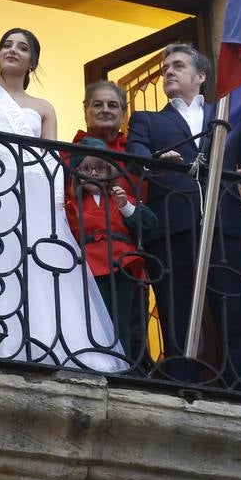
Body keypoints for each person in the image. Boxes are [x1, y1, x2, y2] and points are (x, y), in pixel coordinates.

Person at [0, 28, 125, 374]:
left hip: (34, 190)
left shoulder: (43, 107)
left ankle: (44, 342)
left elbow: (51, 159)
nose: (13, 50)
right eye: (7, 45)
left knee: (37, 263)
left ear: (32, 62)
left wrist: (56, 201)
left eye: (22, 48)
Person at [126, 43, 241, 390]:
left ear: (200, 76)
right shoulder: (148, 119)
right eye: (165, 68)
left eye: (177, 66)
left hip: (224, 227)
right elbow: (136, 157)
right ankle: (181, 387)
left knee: (232, 312)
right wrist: (158, 160)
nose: (168, 72)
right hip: (173, 228)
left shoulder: (228, 119)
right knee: (175, 311)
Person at [64, 137, 157, 358]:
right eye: (86, 168)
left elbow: (149, 223)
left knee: (120, 319)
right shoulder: (71, 204)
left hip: (121, 263)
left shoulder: (121, 198)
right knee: (93, 317)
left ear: (109, 172)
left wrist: (126, 207)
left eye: (99, 168)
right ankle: (97, 361)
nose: (93, 173)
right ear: (77, 173)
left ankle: (121, 364)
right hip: (88, 266)